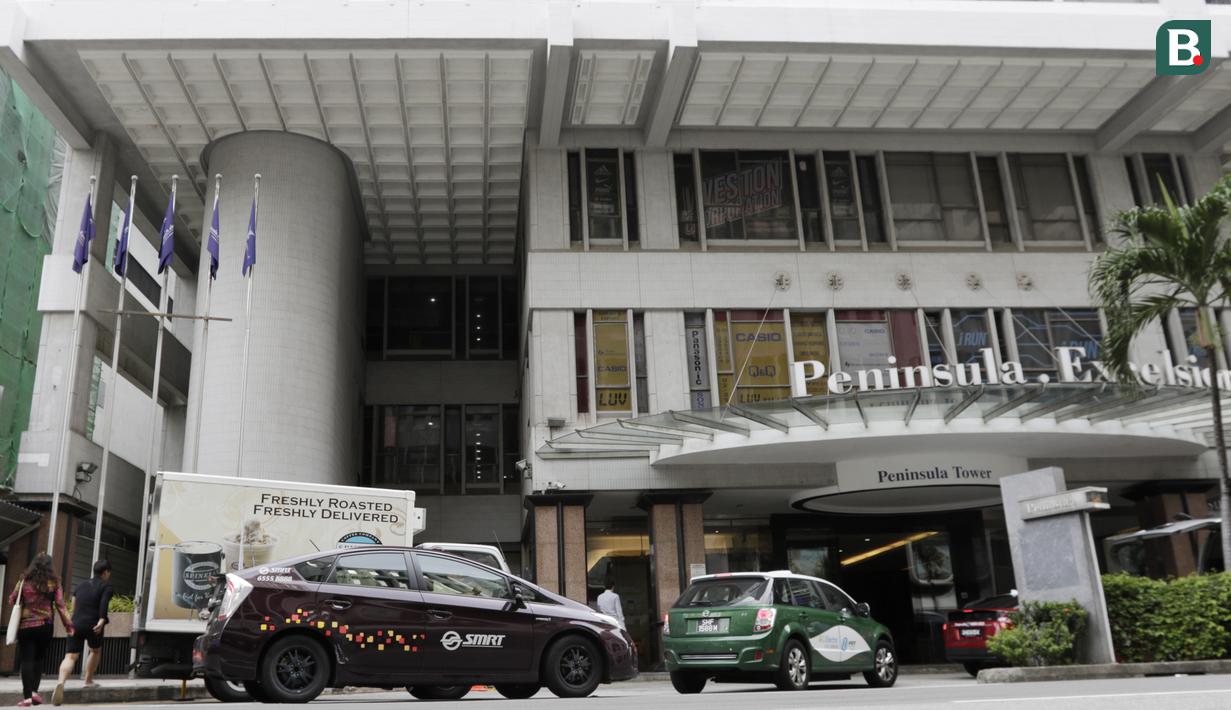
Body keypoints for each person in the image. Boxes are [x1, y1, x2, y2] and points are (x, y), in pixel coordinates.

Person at [8, 553, 73, 707]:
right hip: (45, 626)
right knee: (38, 659)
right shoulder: (54, 583)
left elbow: (12, 599)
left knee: (27, 660)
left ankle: (27, 697)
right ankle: (35, 692)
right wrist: (69, 626)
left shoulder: (24, 581)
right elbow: (61, 605)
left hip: (26, 627)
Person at [52, 560, 113, 706]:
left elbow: (74, 605)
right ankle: (88, 680)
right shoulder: (106, 586)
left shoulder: (80, 585)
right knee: (95, 650)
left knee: (71, 656)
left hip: (76, 623)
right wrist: (102, 620)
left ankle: (61, 682)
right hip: (93, 624)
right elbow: (104, 604)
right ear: (105, 572)